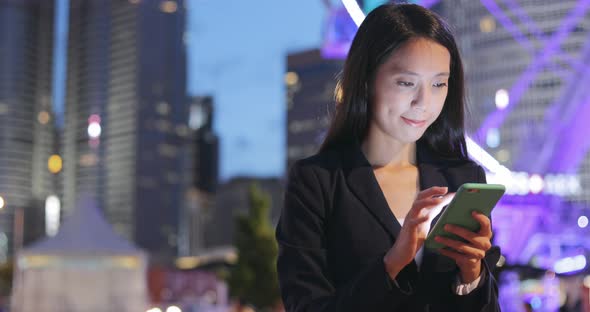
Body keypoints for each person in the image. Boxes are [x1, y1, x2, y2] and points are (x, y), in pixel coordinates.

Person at [275, 3, 502, 312]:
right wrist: (392, 263)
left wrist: (472, 276)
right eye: (406, 83)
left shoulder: (463, 179)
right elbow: (305, 306)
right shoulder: (317, 183)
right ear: (367, 80)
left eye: (438, 84)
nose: (424, 102)